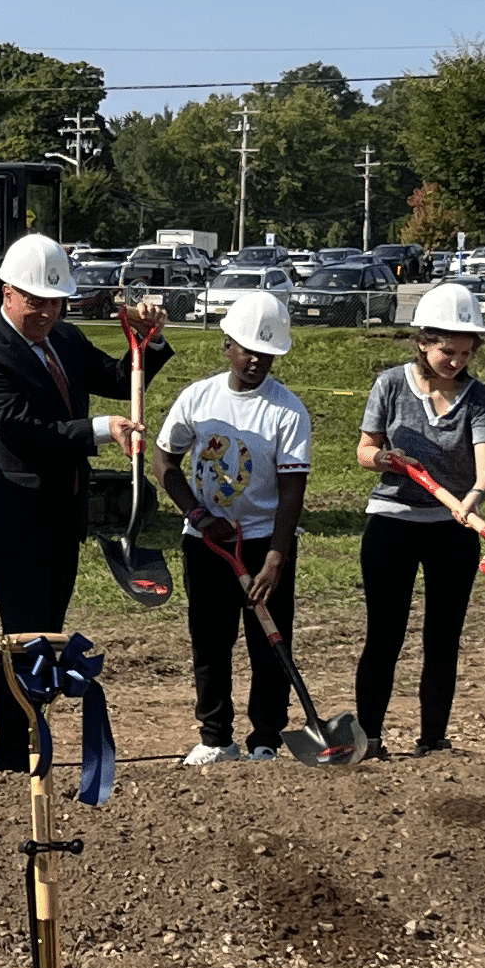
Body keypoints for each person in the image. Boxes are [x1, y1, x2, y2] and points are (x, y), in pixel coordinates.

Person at [0, 233, 168, 770]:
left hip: (61, 515)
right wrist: (101, 430)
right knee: (25, 635)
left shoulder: (66, 340)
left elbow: (121, 378)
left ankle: (35, 737)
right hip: (13, 519)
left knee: (49, 634)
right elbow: (21, 431)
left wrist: (148, 342)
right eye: (36, 301)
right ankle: (15, 750)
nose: (47, 312)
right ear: (7, 293)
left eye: (55, 302)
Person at [154, 289, 324, 765]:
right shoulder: (198, 397)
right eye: (248, 349)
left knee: (269, 643)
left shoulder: (287, 411)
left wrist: (276, 557)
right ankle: (215, 738)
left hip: (265, 545)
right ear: (226, 344)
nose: (256, 360)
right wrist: (197, 515)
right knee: (210, 641)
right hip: (207, 544)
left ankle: (266, 737)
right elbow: (164, 459)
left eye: (267, 353)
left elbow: (293, 489)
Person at [351, 279, 485, 756]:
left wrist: (473, 497)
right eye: (446, 350)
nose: (455, 360)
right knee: (385, 634)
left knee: (443, 638)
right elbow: (364, 450)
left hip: (451, 525)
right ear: (423, 342)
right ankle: (370, 737)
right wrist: (387, 461)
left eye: (464, 351)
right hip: (393, 520)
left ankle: (433, 738)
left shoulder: (478, 398)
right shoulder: (391, 385)